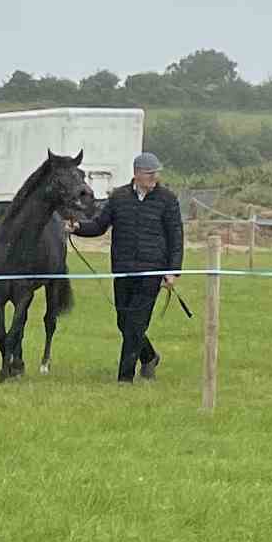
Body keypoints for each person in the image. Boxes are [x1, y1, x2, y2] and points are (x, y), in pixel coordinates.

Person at [77, 148, 184, 379]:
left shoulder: (168, 199)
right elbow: (99, 226)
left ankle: (124, 378)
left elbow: (176, 236)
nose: (154, 178)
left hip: (152, 271)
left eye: (156, 173)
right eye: (149, 173)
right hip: (123, 269)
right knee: (123, 322)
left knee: (135, 324)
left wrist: (173, 272)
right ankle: (149, 356)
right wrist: (77, 227)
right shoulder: (118, 197)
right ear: (136, 174)